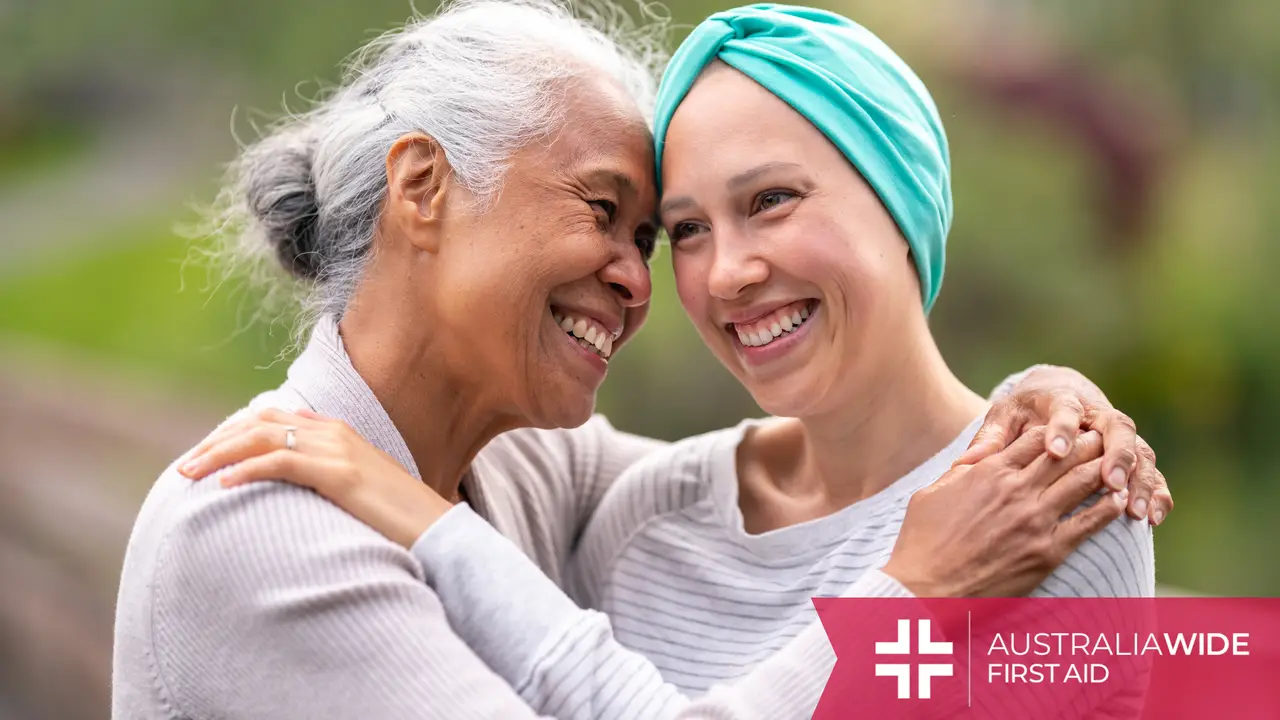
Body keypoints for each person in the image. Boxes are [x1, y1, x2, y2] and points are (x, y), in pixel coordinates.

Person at [121, 2, 1169, 719]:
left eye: (646, 240)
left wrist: (1041, 400)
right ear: (423, 188)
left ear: (904, 203)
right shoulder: (258, 528)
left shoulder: (531, 474)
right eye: (609, 215)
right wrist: (916, 594)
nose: (651, 280)